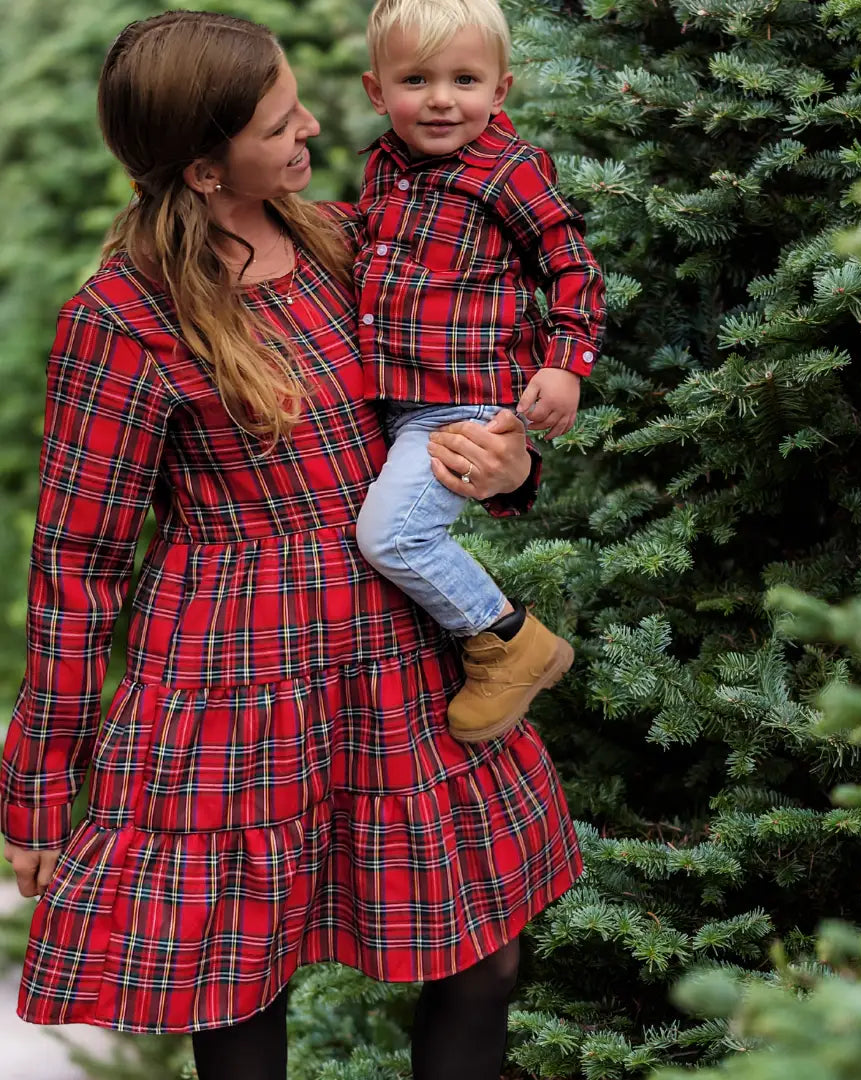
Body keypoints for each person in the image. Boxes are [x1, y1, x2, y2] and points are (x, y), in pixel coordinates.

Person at [0, 11, 582, 1080]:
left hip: (393, 652)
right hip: (238, 676)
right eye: (279, 121)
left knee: (485, 956)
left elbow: (440, 410)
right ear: (204, 166)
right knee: (238, 986)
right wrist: (41, 786)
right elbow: (77, 569)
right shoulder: (124, 319)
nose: (314, 122)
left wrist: (511, 468)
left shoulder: (343, 240)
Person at [352, 0, 606, 743]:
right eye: (416, 79)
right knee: (390, 532)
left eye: (465, 79)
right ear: (377, 92)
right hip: (399, 397)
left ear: (500, 90)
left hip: (460, 402)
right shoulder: (382, 167)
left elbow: (573, 269)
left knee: (393, 538)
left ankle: (508, 640)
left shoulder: (509, 171)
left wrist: (565, 366)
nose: (440, 99)